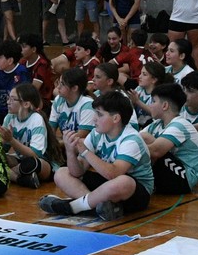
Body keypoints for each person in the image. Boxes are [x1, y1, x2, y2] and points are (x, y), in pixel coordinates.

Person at [41, 90, 153, 221]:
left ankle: (73, 206)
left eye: (99, 115)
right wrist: (70, 151)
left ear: (116, 118)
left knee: (124, 181)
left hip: (134, 193)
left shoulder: (131, 139)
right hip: (107, 186)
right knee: (61, 173)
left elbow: (114, 174)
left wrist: (85, 151)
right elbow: (77, 172)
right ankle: (98, 208)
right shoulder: (96, 134)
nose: (94, 119)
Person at [142, 81, 198, 195]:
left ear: (165, 105)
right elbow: (134, 139)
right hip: (170, 172)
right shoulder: (156, 124)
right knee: (141, 139)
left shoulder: (180, 125)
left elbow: (155, 151)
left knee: (147, 140)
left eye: (154, 101)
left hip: (184, 179)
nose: (150, 105)